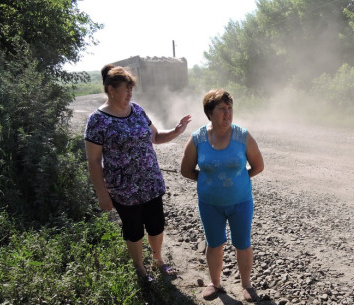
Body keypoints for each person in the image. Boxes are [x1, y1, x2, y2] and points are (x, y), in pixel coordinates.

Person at [84, 64, 191, 283]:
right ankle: (140, 269)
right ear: (111, 90)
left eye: (131, 90)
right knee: (133, 231)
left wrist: (176, 131)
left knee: (156, 225)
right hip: (123, 189)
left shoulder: (137, 110)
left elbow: (155, 137)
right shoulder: (97, 121)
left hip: (150, 182)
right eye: (126, 90)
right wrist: (102, 195)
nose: (130, 94)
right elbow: (93, 161)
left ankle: (158, 260)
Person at [180, 88, 264, 302]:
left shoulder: (242, 136)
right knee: (214, 243)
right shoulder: (198, 138)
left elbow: (258, 166)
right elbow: (186, 170)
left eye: (230, 109)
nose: (227, 113)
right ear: (210, 112)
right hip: (210, 203)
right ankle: (215, 283)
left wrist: (237, 179)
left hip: (241, 201)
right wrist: (210, 181)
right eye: (221, 109)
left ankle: (246, 285)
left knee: (243, 243)